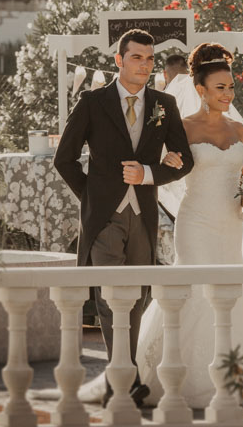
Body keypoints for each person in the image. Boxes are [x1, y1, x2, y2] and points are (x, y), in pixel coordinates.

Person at [54, 28, 193, 407]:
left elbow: (184, 159)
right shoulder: (92, 102)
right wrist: (94, 198)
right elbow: (63, 159)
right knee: (108, 296)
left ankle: (125, 373)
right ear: (119, 60)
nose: (145, 65)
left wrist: (150, 174)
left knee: (139, 295)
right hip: (104, 220)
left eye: (149, 59)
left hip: (143, 215)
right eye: (137, 58)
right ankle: (123, 378)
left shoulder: (164, 103)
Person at [135, 42, 243, 408]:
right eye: (220, 88)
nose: (228, 94)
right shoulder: (182, 128)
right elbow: (162, 169)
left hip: (230, 225)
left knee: (232, 295)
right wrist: (166, 160)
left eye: (232, 87)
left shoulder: (239, 131)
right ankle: (182, 381)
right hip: (195, 224)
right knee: (194, 293)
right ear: (200, 89)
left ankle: (236, 380)